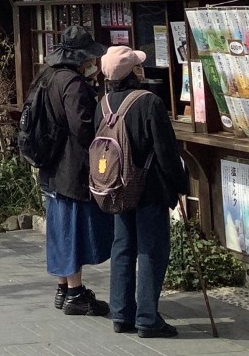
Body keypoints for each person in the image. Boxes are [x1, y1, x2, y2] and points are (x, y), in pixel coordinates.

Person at [99, 46, 190, 338]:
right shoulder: (148, 102)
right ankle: (148, 318)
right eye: (138, 65)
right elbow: (166, 151)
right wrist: (179, 187)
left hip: (116, 187)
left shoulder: (104, 104)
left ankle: (121, 313)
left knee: (122, 247)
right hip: (149, 188)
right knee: (152, 250)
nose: (142, 69)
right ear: (133, 73)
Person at [36, 25, 113, 316]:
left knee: (58, 228)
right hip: (70, 167)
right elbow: (83, 129)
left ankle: (64, 287)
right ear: (82, 58)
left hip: (50, 165)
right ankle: (76, 292)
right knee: (72, 229)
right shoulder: (73, 84)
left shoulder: (48, 77)